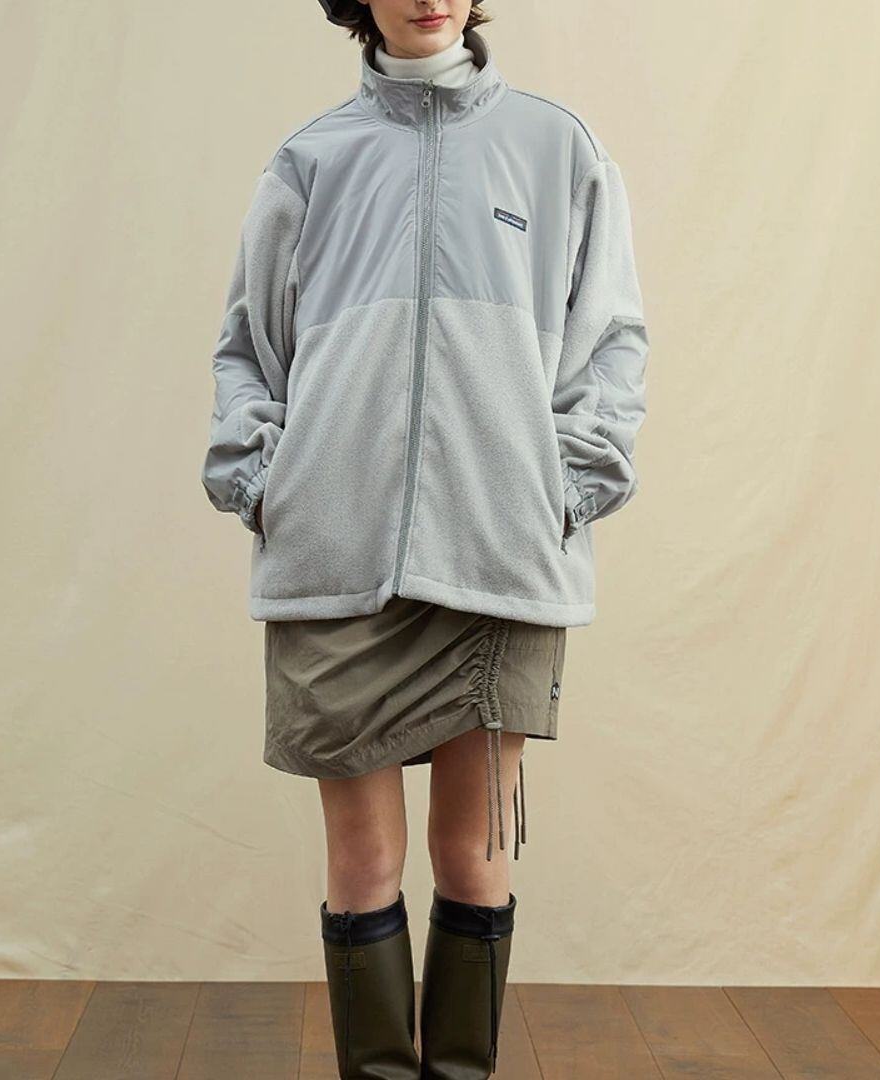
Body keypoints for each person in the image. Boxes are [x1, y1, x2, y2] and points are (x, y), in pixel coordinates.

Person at [200, 1, 650, 1075]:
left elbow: (612, 342)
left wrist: (562, 487)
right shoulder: (311, 161)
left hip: (500, 559)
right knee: (362, 862)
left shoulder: (557, 148)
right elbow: (247, 349)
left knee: (472, 856)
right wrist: (268, 485)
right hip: (336, 561)